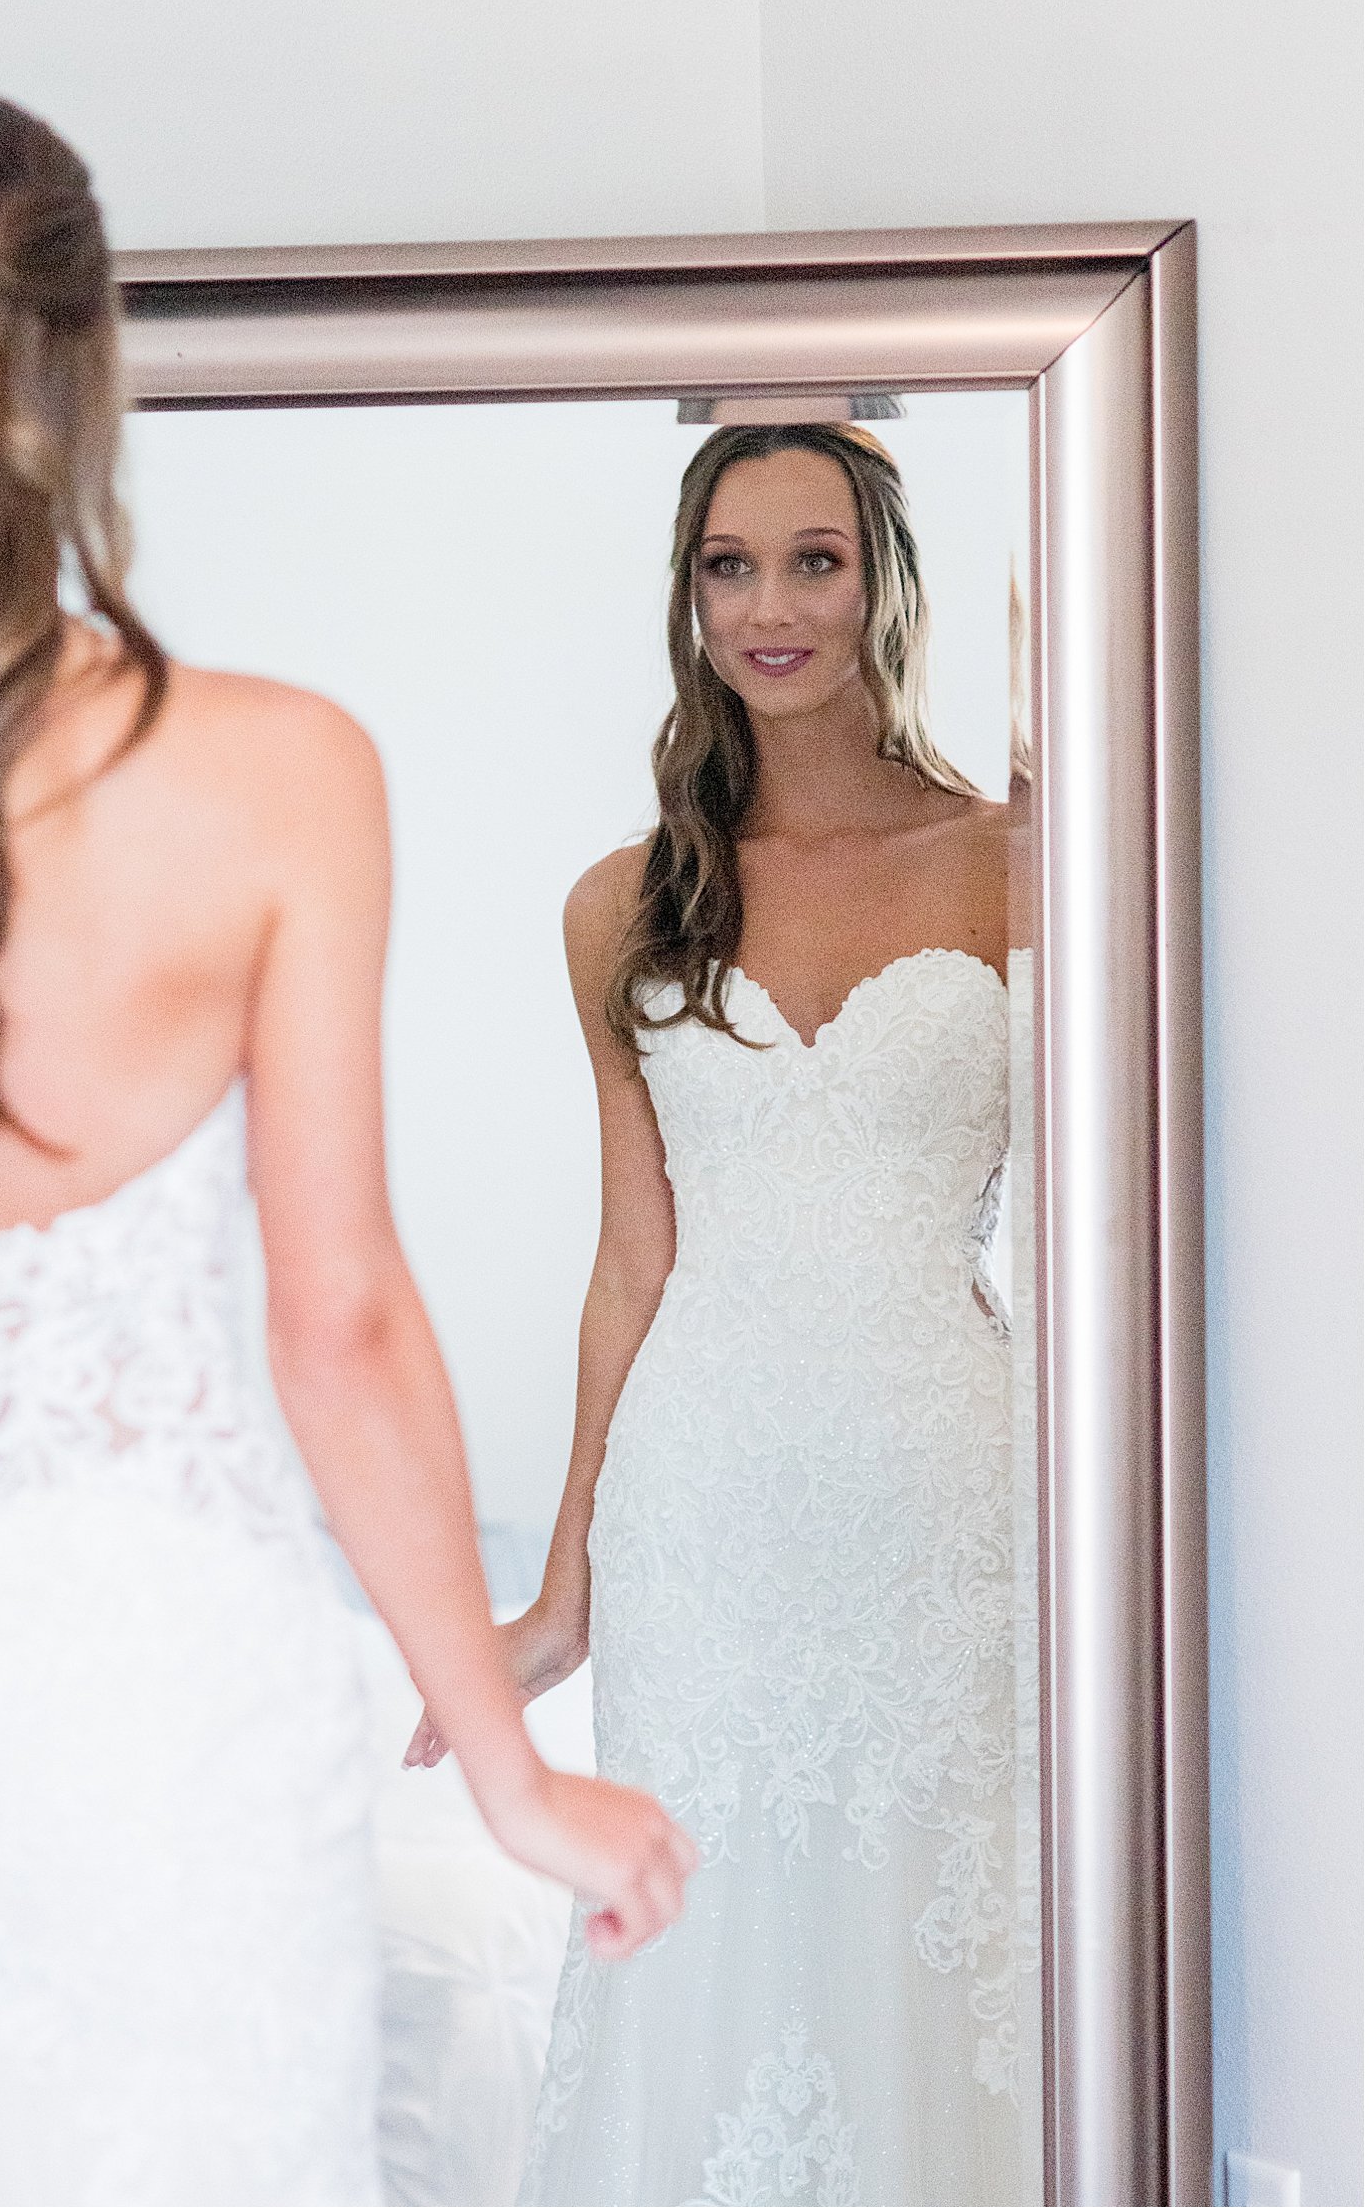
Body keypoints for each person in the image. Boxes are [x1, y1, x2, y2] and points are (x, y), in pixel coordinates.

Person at [0, 78, 694, 2211]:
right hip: (157, 1685)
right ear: (75, 373)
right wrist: (509, 1775)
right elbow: (339, 1320)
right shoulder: (268, 770)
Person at [408, 423, 1037, 2205]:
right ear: (687, 598)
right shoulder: (622, 902)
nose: (772, 605)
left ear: (885, 582)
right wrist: (560, 1594)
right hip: (706, 1516)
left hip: (951, 1494)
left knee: (952, 1922)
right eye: (728, 563)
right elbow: (631, 1265)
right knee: (706, 1947)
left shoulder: (1025, 859)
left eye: (816, 559)